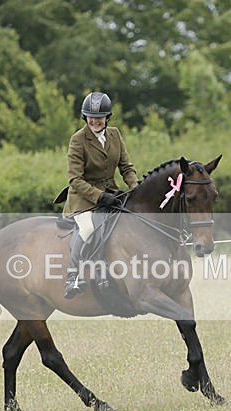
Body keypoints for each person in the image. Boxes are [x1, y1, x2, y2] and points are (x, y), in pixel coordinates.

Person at [62, 91, 138, 299]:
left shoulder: (114, 134)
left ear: (107, 117)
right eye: (91, 117)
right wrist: (100, 197)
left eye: (100, 117)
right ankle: (73, 277)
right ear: (85, 117)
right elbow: (75, 180)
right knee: (88, 228)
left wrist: (136, 188)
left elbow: (126, 167)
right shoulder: (78, 140)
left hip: (111, 194)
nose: (95, 121)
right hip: (83, 198)